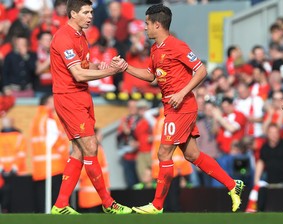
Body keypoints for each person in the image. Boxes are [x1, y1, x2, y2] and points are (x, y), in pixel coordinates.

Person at [112, 4, 244, 214]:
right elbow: (151, 76)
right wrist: (126, 67)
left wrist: (182, 93)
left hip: (182, 107)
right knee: (192, 155)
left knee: (164, 153)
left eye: (147, 24)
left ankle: (156, 205)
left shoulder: (176, 46)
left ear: (157, 24)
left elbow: (201, 71)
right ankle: (232, 185)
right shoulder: (155, 49)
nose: (144, 28)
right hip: (172, 107)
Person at [50, 0, 131, 215]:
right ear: (73, 13)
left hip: (81, 96)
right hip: (69, 97)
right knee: (91, 146)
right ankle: (108, 203)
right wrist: (111, 73)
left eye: (92, 12)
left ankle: (60, 205)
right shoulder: (63, 37)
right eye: (86, 12)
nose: (90, 16)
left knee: (79, 149)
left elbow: (86, 67)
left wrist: (105, 66)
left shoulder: (80, 36)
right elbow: (78, 74)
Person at [30, 94, 69, 213]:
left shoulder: (37, 118)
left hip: (41, 168)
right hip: (54, 166)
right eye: (53, 100)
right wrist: (66, 157)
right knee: (55, 203)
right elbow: (56, 140)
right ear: (47, 102)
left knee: (43, 203)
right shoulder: (48, 118)